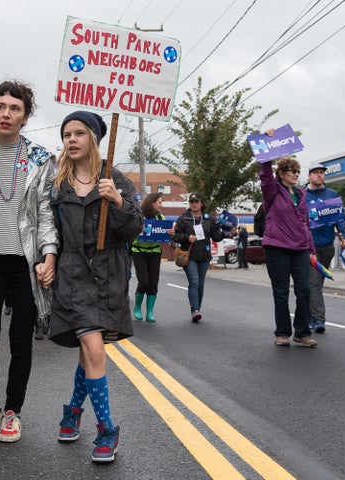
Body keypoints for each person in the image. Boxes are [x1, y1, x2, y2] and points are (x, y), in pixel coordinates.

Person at [0, 80, 58, 443]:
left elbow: (46, 214)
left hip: (25, 264)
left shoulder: (39, 158)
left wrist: (48, 255)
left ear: (26, 115)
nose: (6, 114)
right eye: (1, 107)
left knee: (21, 341)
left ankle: (13, 412)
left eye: (14, 108)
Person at [49, 111, 142, 464]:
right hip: (73, 274)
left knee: (90, 348)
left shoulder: (116, 179)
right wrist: (48, 259)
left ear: (94, 138)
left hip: (108, 273)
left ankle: (73, 409)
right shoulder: (58, 183)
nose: (71, 140)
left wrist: (117, 201)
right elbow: (50, 229)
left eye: (78, 133)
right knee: (91, 343)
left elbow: (133, 229)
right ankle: (106, 430)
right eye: (66, 134)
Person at [260, 156, 318, 347]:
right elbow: (265, 176)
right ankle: (282, 332)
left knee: (304, 290)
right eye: (292, 171)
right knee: (281, 292)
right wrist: (266, 157)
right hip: (277, 247)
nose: (296, 174)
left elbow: (306, 223)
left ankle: (302, 332)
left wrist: (311, 249)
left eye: (297, 171)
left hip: (300, 248)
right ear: (282, 173)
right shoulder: (272, 191)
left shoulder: (302, 194)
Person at [306, 163, 345, 334]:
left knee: (315, 284)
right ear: (309, 175)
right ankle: (318, 319)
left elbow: (340, 218)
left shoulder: (332, 195)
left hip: (327, 247)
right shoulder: (302, 195)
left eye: (321, 173)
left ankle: (309, 314)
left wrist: (344, 236)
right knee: (314, 283)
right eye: (315, 173)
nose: (319, 175)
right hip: (310, 247)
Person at [172, 193, 224, 323]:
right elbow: (176, 236)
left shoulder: (208, 219)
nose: (194, 203)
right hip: (189, 256)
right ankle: (195, 310)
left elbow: (216, 236)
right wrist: (187, 237)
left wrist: (227, 233)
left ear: (201, 203)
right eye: (191, 201)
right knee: (194, 282)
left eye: (196, 201)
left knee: (200, 284)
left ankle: (197, 310)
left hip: (204, 255)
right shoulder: (184, 218)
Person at [131, 192, 164, 322]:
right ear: (152, 202)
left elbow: (163, 234)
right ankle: (137, 308)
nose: (161, 205)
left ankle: (150, 312)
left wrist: (170, 233)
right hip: (139, 251)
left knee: (153, 283)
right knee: (144, 281)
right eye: (160, 202)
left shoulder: (161, 218)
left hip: (154, 251)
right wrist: (137, 230)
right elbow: (130, 230)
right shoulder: (139, 216)